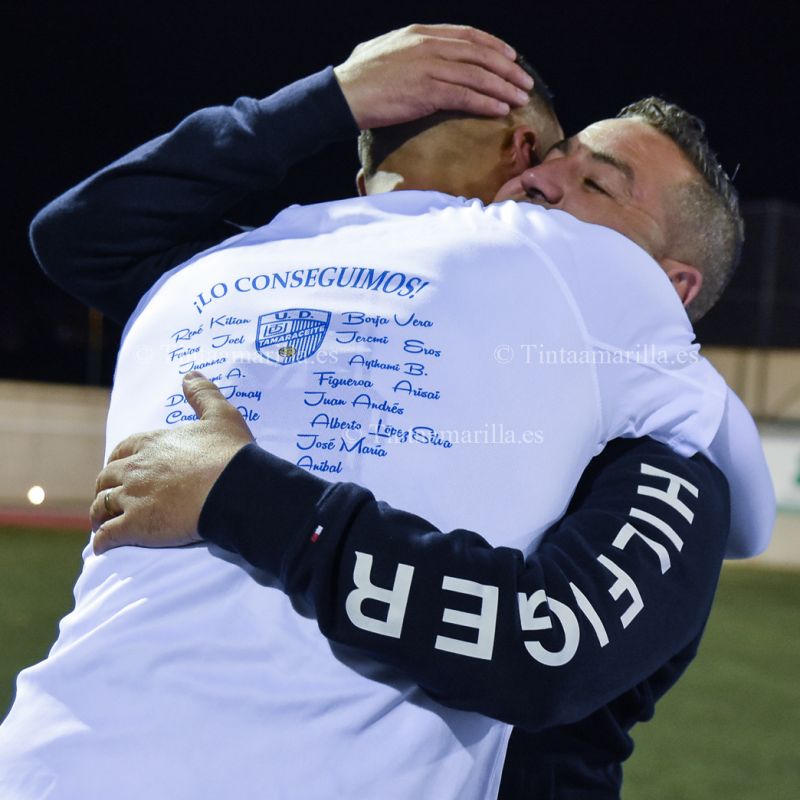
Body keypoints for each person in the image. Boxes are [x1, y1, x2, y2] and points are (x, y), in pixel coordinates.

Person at [1, 24, 773, 800]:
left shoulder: (667, 454)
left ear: (670, 289)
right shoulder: (274, 267)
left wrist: (245, 498)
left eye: (595, 185)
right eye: (547, 158)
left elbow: (547, 651)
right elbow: (85, 238)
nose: (537, 180)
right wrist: (329, 100)